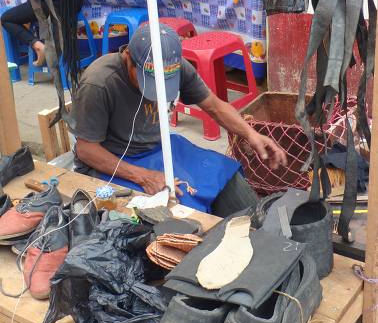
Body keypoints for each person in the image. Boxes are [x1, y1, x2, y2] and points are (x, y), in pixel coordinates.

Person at [70, 23, 287, 217]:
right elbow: (86, 150)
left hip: (158, 146)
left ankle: (256, 227)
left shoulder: (173, 65)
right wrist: (143, 176)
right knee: (182, 205)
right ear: (128, 56)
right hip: (115, 160)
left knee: (219, 171)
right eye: (149, 80)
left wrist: (252, 135)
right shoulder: (98, 82)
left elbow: (215, 106)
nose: (157, 89)